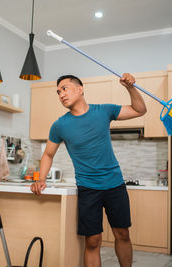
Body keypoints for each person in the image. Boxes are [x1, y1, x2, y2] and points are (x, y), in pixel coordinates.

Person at [30, 73, 146, 267]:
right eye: (58, 92)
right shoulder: (59, 126)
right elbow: (48, 154)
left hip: (114, 184)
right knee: (92, 241)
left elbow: (139, 110)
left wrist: (130, 87)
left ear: (80, 89)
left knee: (123, 234)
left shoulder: (104, 111)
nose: (61, 94)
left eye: (64, 88)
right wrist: (40, 178)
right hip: (88, 189)